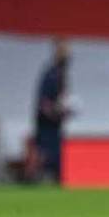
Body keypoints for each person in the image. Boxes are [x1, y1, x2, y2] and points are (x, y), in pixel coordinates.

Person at [33, 38, 72, 183]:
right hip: (46, 123)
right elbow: (44, 103)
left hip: (55, 123)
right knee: (46, 153)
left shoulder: (61, 74)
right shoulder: (51, 74)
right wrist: (55, 111)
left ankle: (54, 179)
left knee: (55, 154)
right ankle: (38, 179)